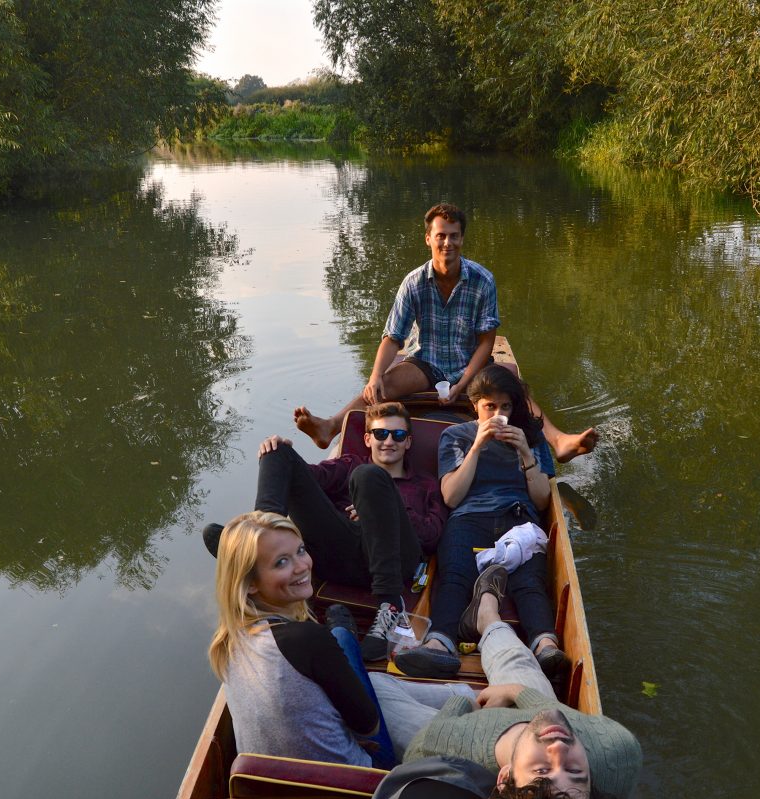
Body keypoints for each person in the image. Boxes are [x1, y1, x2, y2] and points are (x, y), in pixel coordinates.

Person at [369, 566, 641, 799]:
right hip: (528, 712)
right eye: (576, 772)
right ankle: (486, 615)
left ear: (505, 776)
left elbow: (423, 745)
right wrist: (511, 692)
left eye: (541, 771)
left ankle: (460, 689)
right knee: (516, 663)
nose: (559, 748)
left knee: (372, 687)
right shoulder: (613, 750)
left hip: (464, 721)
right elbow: (554, 717)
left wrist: (467, 703)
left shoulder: (443, 746)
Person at [293, 202, 598, 462]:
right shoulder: (413, 282)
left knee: (516, 390)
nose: (447, 244)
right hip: (426, 363)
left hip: (472, 365)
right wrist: (374, 377)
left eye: (454, 237)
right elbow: (393, 338)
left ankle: (558, 442)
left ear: (462, 239)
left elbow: (486, 342)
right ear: (428, 238)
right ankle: (330, 427)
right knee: (382, 386)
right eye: (441, 236)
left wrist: (463, 383)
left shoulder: (482, 280)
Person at [203, 402, 447, 661]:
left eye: (398, 435)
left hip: (395, 565)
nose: (389, 441)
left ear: (408, 442)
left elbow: (432, 535)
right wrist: (280, 452)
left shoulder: (426, 484)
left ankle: (390, 608)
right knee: (279, 453)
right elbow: (302, 479)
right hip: (338, 558)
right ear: (367, 438)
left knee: (369, 477)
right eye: (380, 434)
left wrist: (379, 510)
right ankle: (255, 547)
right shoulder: (348, 465)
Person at [393, 364, 566, 681]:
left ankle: (545, 647)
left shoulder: (532, 437)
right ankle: (439, 644)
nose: (498, 413)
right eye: (490, 406)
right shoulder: (456, 436)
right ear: (475, 405)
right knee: (455, 576)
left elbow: (542, 501)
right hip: (469, 516)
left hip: (519, 517)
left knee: (529, 582)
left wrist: (526, 452)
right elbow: (451, 497)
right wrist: (477, 446)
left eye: (505, 406)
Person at [207, 511, 394, 768]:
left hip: (268, 791)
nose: (302, 566)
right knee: (340, 638)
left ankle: (342, 633)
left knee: (336, 649)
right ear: (249, 583)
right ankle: (345, 631)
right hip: (358, 785)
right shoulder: (307, 640)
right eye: (281, 562)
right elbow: (369, 727)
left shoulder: (226, 642)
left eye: (301, 551)